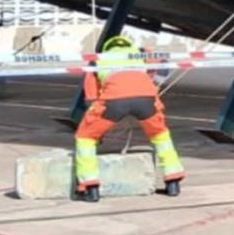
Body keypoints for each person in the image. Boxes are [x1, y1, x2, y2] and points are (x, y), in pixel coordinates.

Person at [73, 34, 185, 202]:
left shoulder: (97, 59)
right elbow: (162, 62)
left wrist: (98, 123)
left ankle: (90, 187)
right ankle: (173, 181)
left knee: (85, 138)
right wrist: (151, 83)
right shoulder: (140, 52)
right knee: (160, 135)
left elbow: (91, 95)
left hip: (113, 101)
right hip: (147, 99)